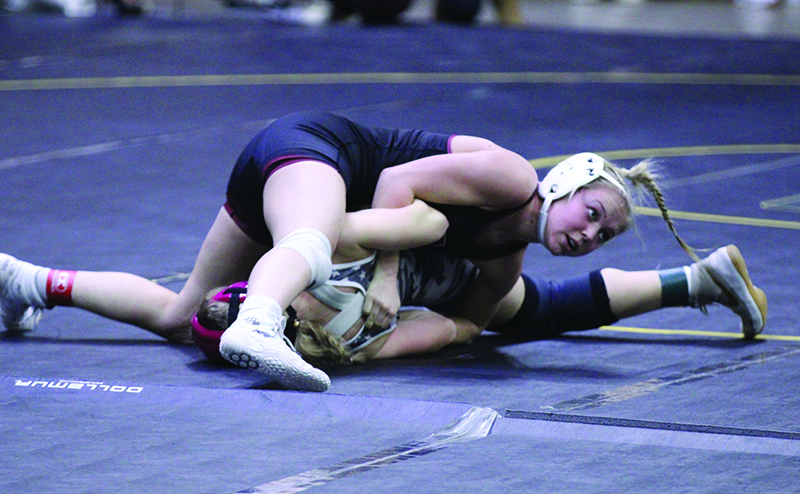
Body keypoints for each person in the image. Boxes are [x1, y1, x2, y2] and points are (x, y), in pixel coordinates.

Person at [0, 111, 700, 392]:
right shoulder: (512, 176)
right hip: (316, 153)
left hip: (308, 194)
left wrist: (374, 345)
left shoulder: (504, 265)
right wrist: (389, 281)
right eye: (594, 214)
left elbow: (462, 327)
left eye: (601, 237)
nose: (588, 234)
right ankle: (260, 320)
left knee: (182, 317)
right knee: (329, 238)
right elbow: (395, 181)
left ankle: (27, 282)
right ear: (567, 182)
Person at [192, 240, 767, 365]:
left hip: (450, 279)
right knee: (535, 304)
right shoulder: (296, 259)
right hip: (434, 232)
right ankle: (696, 281)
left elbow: (446, 331)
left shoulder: (346, 345)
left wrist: (469, 325)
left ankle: (693, 282)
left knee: (538, 310)